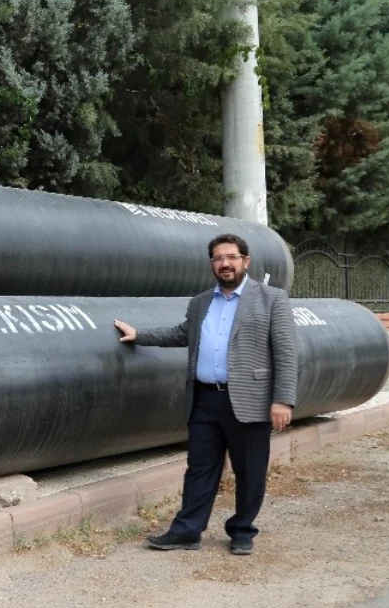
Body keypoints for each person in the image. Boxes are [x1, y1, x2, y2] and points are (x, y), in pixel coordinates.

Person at [113, 233, 298, 555]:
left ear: (245, 261)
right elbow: (181, 334)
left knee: (250, 470)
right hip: (204, 400)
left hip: (249, 400)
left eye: (231, 257)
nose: (224, 264)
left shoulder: (271, 298)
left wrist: (282, 399)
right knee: (199, 468)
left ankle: (242, 531)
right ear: (212, 263)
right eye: (218, 258)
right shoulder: (201, 303)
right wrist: (139, 334)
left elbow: (286, 352)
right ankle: (187, 531)